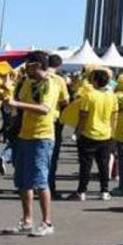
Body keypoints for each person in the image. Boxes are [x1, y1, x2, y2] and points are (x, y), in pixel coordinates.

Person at [3, 51, 61, 237]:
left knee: (40, 181)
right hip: (24, 135)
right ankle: (27, 220)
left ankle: (47, 223)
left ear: (37, 65)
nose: (25, 67)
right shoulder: (28, 82)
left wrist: (16, 104)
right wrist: (7, 89)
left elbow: (45, 109)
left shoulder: (50, 83)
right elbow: (17, 102)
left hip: (42, 137)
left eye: (28, 64)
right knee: (22, 181)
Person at [69, 67, 118, 201]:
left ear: (95, 81)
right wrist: (113, 132)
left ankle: (81, 191)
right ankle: (104, 191)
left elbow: (83, 117)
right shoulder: (112, 96)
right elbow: (114, 116)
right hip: (106, 134)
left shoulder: (89, 96)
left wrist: (77, 133)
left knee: (85, 165)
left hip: (89, 134)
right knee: (103, 165)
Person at [45, 54, 69, 197]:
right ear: (59, 65)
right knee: (52, 155)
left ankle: (31, 184)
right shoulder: (59, 80)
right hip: (54, 118)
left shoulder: (33, 76)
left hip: (34, 117)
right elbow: (65, 100)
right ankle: (49, 186)